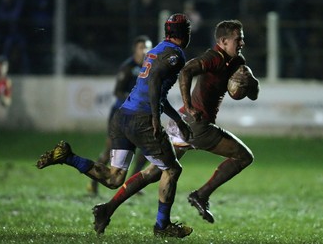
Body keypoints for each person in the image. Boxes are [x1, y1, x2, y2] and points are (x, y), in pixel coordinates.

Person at [88, 19, 259, 230]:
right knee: (243, 156)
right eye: (238, 39)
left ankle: (107, 208)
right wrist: (190, 106)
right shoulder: (213, 57)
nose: (242, 42)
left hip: (182, 124)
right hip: (198, 126)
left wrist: (251, 82)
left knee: (154, 173)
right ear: (223, 41)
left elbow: (252, 94)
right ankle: (201, 195)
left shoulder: (236, 61)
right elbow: (186, 71)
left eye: (242, 38)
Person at [36, 13, 193, 238]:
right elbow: (156, 81)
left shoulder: (157, 49)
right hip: (142, 119)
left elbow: (156, 90)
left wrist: (177, 120)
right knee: (172, 169)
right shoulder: (175, 54)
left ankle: (68, 157)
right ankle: (162, 226)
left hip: (122, 117)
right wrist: (157, 119)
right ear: (185, 34)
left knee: (114, 178)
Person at [87, 35, 153, 196]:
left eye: (147, 47)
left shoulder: (151, 67)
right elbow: (117, 91)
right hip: (121, 114)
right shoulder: (128, 67)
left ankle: (133, 184)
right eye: (141, 47)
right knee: (110, 152)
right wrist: (132, 101)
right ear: (135, 50)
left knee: (147, 149)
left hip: (141, 115)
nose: (144, 50)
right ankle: (93, 181)